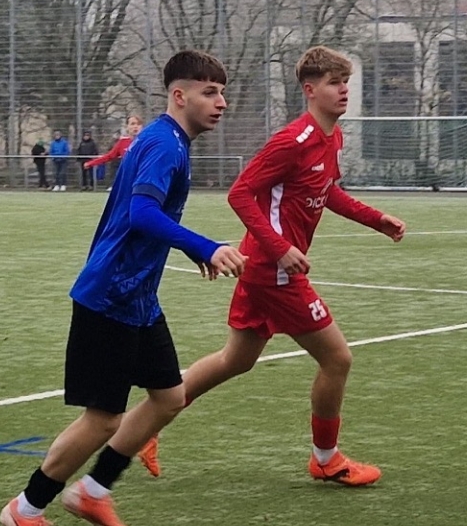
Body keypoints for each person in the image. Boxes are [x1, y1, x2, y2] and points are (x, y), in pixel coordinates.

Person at [0, 50, 244, 526]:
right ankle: (26, 508)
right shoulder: (164, 144)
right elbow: (141, 215)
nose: (221, 102)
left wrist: (185, 249)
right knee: (104, 418)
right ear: (179, 96)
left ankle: (93, 491)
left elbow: (148, 218)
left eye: (222, 92)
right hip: (109, 296)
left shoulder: (168, 140)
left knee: (169, 397)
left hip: (137, 299)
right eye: (210, 92)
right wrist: (204, 246)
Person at [127, 46, 407, 486]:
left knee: (234, 360)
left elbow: (328, 191)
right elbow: (240, 193)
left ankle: (148, 425)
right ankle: (326, 459)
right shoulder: (292, 141)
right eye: (334, 83)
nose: (343, 91)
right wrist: (279, 248)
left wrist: (376, 220)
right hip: (274, 271)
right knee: (337, 359)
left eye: (345, 83)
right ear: (310, 90)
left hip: (262, 266)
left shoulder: (332, 138)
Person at [86, 116, 144, 188]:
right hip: (128, 178)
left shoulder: (147, 141)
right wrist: (91, 163)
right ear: (127, 127)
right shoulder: (122, 142)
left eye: (138, 124)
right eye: (132, 124)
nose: (136, 126)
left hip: (143, 177)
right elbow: (109, 156)